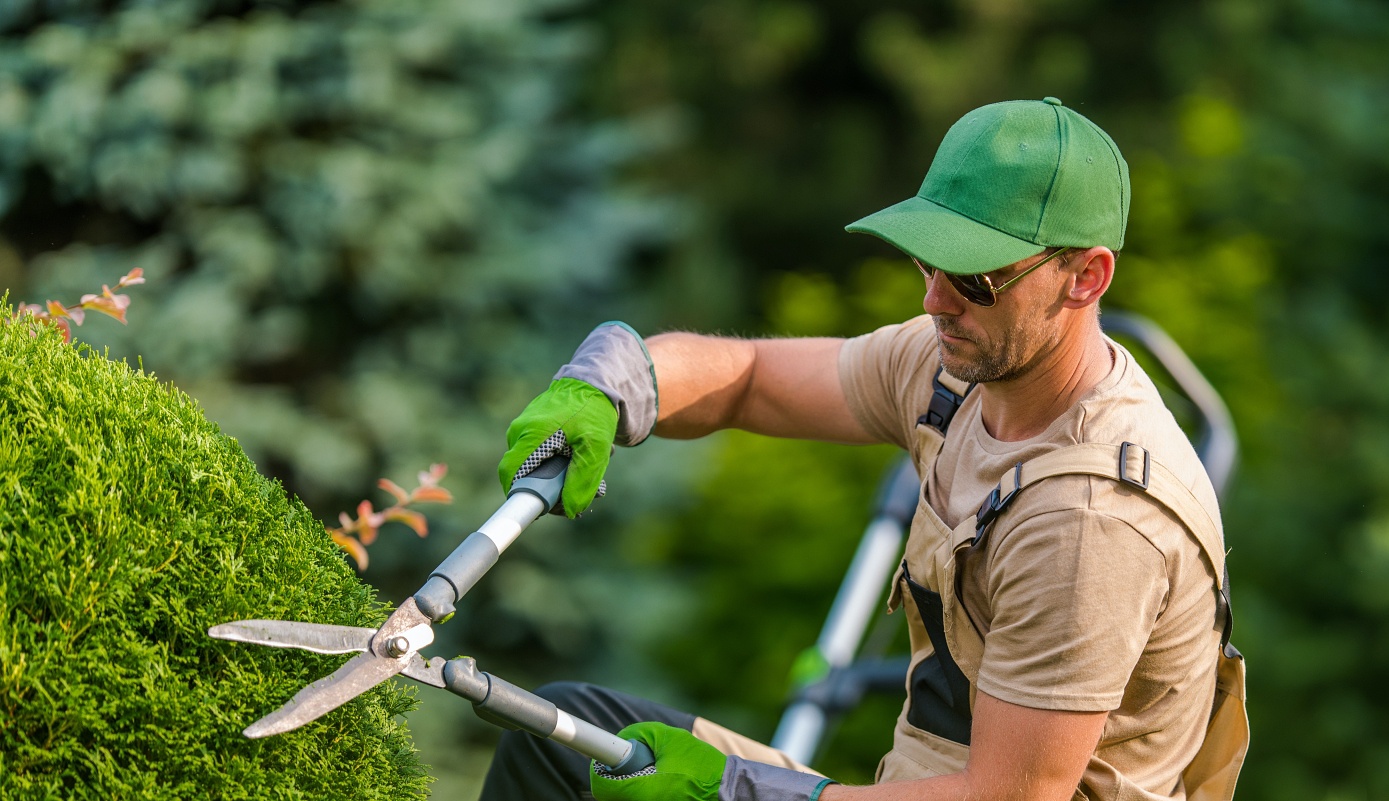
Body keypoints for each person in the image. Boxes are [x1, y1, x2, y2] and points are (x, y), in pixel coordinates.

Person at [480, 98, 1249, 801]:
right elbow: (751, 379)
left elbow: (1008, 798)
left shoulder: (1092, 522)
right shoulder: (958, 368)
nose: (934, 301)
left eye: (975, 278)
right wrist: (615, 384)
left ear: (1085, 276)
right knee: (560, 735)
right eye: (927, 261)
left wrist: (744, 793)